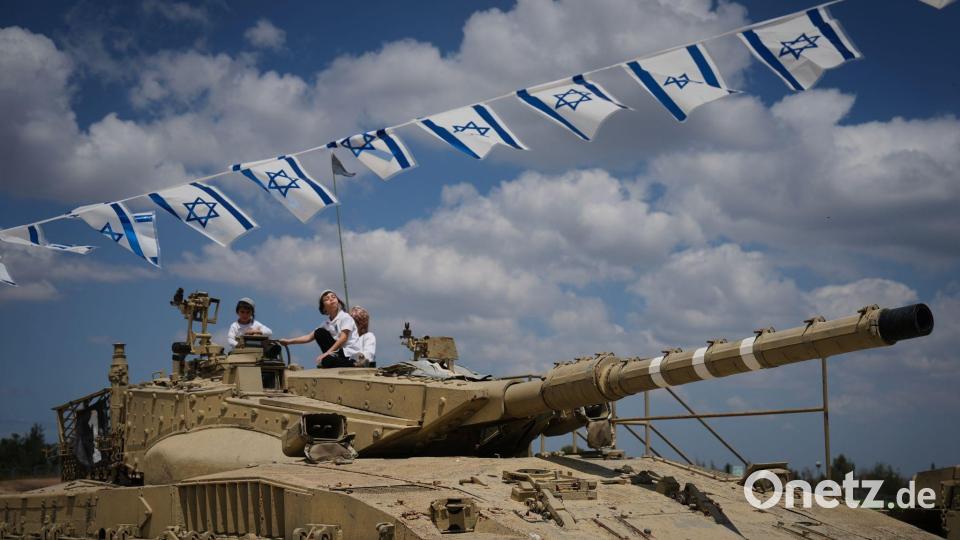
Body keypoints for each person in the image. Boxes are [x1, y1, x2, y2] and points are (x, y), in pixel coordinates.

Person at [279, 289, 361, 368]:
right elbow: (308, 337)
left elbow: (343, 338)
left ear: (338, 302)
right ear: (324, 308)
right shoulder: (326, 323)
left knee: (326, 361)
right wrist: (288, 342)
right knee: (319, 332)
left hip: (349, 352)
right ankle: (333, 360)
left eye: (333, 297)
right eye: (327, 299)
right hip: (338, 352)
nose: (331, 299)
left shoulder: (345, 317)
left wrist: (327, 353)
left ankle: (355, 363)